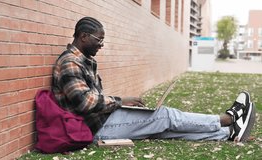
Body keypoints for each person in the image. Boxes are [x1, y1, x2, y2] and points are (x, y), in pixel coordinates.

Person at [51, 17, 255, 142]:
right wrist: (121, 101)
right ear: (84, 36)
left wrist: (122, 103)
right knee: (165, 117)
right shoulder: (71, 63)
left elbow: (92, 98)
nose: (102, 44)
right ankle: (227, 119)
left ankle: (227, 133)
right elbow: (85, 103)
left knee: (163, 129)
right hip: (94, 129)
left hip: (102, 120)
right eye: (99, 39)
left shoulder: (83, 60)